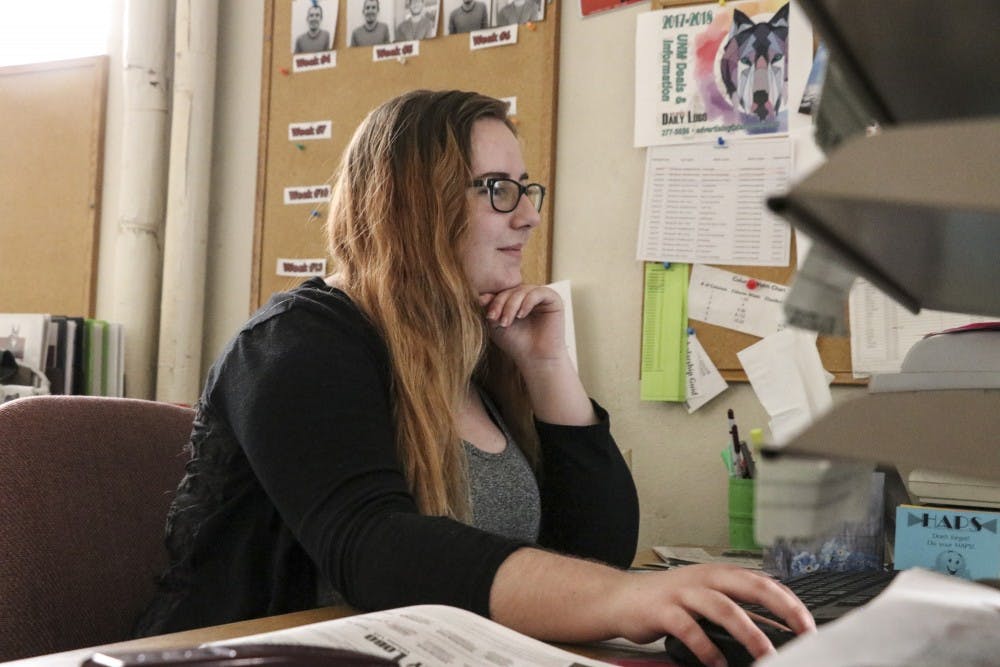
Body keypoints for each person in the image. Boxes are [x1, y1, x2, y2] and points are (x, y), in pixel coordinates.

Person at [134, 89, 814, 667]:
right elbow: (377, 551)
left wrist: (548, 367)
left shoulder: (474, 355)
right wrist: (622, 598)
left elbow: (592, 552)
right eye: (498, 189)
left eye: (526, 189)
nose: (529, 213)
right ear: (411, 204)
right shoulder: (295, 344)